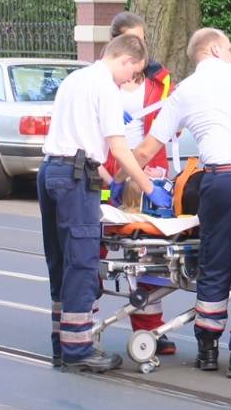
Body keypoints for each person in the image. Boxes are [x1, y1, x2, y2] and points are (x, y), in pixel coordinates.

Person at [134, 28, 231, 378]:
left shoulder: (184, 91)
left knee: (214, 259)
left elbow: (148, 148)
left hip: (216, 180)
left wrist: (119, 179)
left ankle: (207, 347)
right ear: (217, 48)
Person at [40, 33, 172, 372]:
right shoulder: (107, 88)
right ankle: (79, 349)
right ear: (126, 60)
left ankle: (62, 343)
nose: (131, 80)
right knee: (82, 262)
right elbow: (119, 149)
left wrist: (111, 182)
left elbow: (75, 139)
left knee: (61, 260)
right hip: (74, 179)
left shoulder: (74, 80)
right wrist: (147, 187)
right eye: (133, 72)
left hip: (52, 171)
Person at [101, 11, 179, 355]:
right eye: (134, 38)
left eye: (144, 38)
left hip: (150, 171)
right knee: (94, 251)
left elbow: (173, 127)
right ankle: (78, 324)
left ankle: (151, 329)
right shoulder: (102, 80)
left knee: (151, 254)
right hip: (111, 172)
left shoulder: (159, 81)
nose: (141, 45)